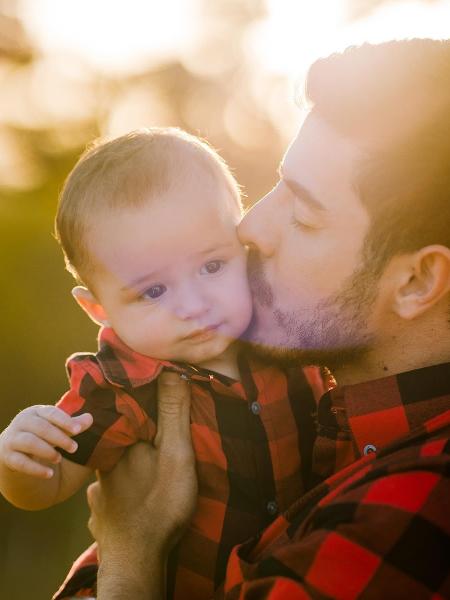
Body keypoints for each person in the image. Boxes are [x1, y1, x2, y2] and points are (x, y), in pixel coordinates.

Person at [85, 39, 450, 599]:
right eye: (276, 184)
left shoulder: (409, 511)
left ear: (417, 282)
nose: (251, 228)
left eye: (303, 215)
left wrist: (133, 551)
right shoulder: (324, 420)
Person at [0, 128, 325, 600]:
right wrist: (21, 463)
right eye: (153, 291)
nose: (192, 304)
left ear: (243, 246)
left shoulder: (293, 338)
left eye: (212, 266)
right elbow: (47, 487)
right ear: (100, 310)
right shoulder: (119, 387)